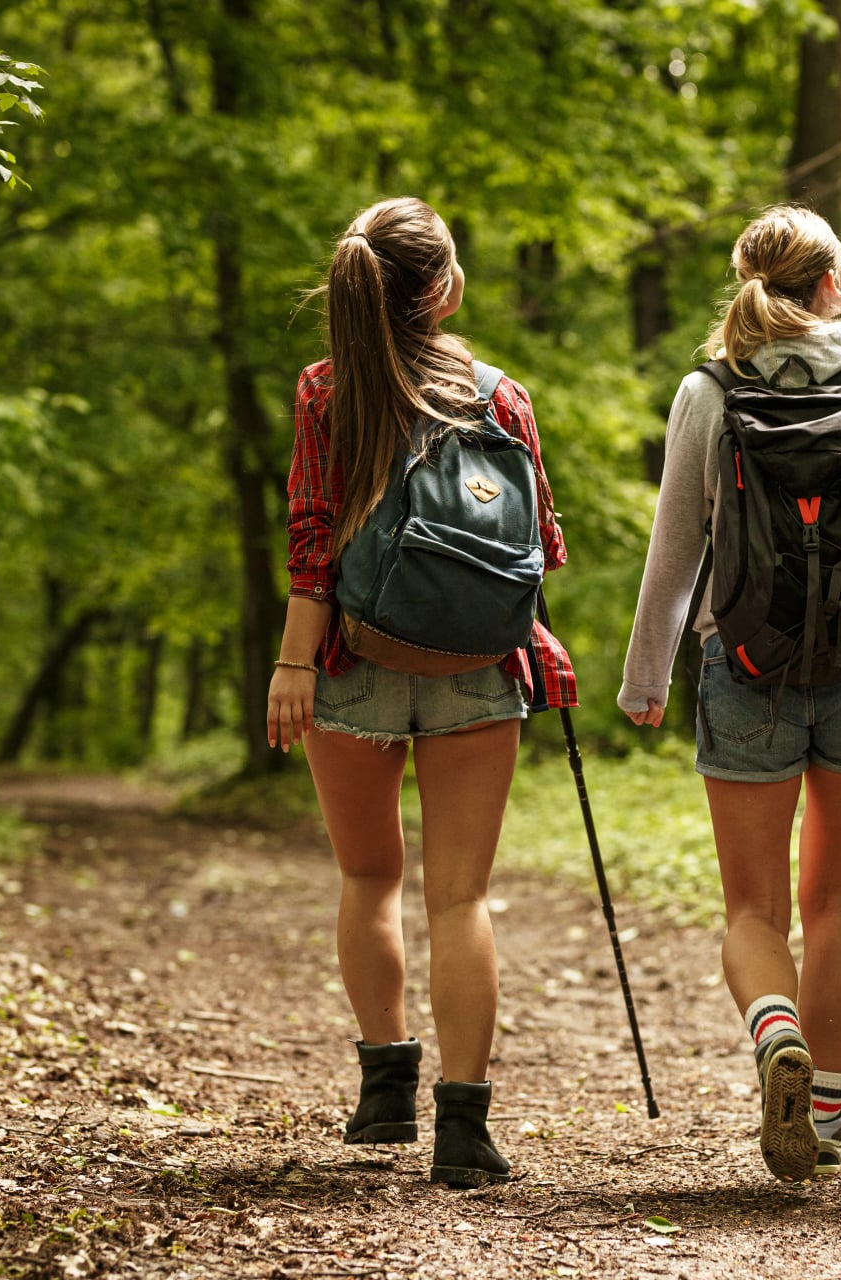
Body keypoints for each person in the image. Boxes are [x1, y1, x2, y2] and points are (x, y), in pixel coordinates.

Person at [620, 205, 841, 1182]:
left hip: (746, 669)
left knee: (753, 908)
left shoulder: (707, 391)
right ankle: (830, 1122)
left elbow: (676, 552)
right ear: (835, 286)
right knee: (837, 902)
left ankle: (776, 1031)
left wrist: (647, 675)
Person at [265, 196, 574, 1188]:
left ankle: (383, 1091)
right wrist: (533, 635)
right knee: (462, 894)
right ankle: (463, 1129)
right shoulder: (502, 396)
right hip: (478, 667)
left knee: (369, 878)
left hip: (351, 659)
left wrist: (291, 663)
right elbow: (541, 548)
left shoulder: (328, 390)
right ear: (443, 288)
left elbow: (312, 539)